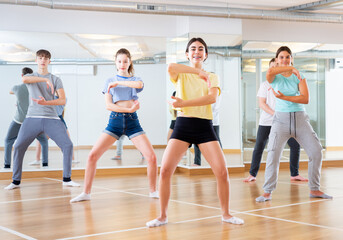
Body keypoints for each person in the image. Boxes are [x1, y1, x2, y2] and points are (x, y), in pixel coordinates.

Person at [146, 38, 244, 227]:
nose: (197, 52)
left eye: (201, 49)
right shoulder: (182, 74)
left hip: (204, 126)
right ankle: (162, 216)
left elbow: (211, 98)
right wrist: (198, 72)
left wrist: (183, 103)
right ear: (187, 54)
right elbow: (171, 67)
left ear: (206, 54)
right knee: (165, 170)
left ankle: (226, 214)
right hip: (183, 126)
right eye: (193, 49)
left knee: (222, 172)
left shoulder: (213, 77)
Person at [70, 48, 158, 203]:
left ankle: (153, 191)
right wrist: (127, 108)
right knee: (92, 156)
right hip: (115, 121)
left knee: (151, 157)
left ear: (130, 62)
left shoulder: (134, 79)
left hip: (132, 121)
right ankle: (86, 193)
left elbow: (139, 84)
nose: (122, 64)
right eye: (119, 61)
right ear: (115, 63)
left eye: (125, 61)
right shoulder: (109, 82)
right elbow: (109, 106)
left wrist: (119, 82)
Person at [256, 46, 332, 202]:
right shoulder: (274, 77)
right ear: (276, 60)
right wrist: (291, 68)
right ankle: (267, 191)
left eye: (288, 57)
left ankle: (315, 189)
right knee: (273, 154)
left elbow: (305, 99)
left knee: (317, 151)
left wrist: (285, 98)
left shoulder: (299, 75)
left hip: (300, 119)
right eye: (281, 57)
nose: (285, 59)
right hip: (280, 121)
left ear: (292, 58)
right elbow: (269, 73)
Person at [4, 49, 79, 190]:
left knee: (68, 145)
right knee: (19, 146)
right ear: (36, 60)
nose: (43, 60)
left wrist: (46, 103)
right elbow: (25, 79)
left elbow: (62, 100)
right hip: (32, 118)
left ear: (49, 61)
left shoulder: (56, 79)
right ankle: (15, 181)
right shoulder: (30, 76)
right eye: (40, 58)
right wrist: (45, 79)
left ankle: (67, 179)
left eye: (46, 58)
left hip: (51, 118)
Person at [243, 58, 307, 182]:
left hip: (284, 120)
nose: (275, 69)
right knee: (259, 146)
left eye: (277, 66)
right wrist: (275, 114)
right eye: (272, 67)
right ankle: (252, 174)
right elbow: (262, 104)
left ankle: (294, 174)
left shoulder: (287, 82)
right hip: (267, 121)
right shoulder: (265, 84)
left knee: (295, 145)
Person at [4, 67, 49, 169]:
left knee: (8, 140)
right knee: (44, 141)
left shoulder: (17, 88)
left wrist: (19, 101)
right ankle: (45, 164)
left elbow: (11, 92)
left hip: (19, 120)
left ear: (22, 76)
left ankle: (7, 165)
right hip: (34, 121)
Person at [193, 97, 222, 166]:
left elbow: (215, 106)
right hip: (200, 118)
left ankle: (220, 161)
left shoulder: (216, 90)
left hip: (213, 120)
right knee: (196, 140)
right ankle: (197, 162)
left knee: (216, 141)